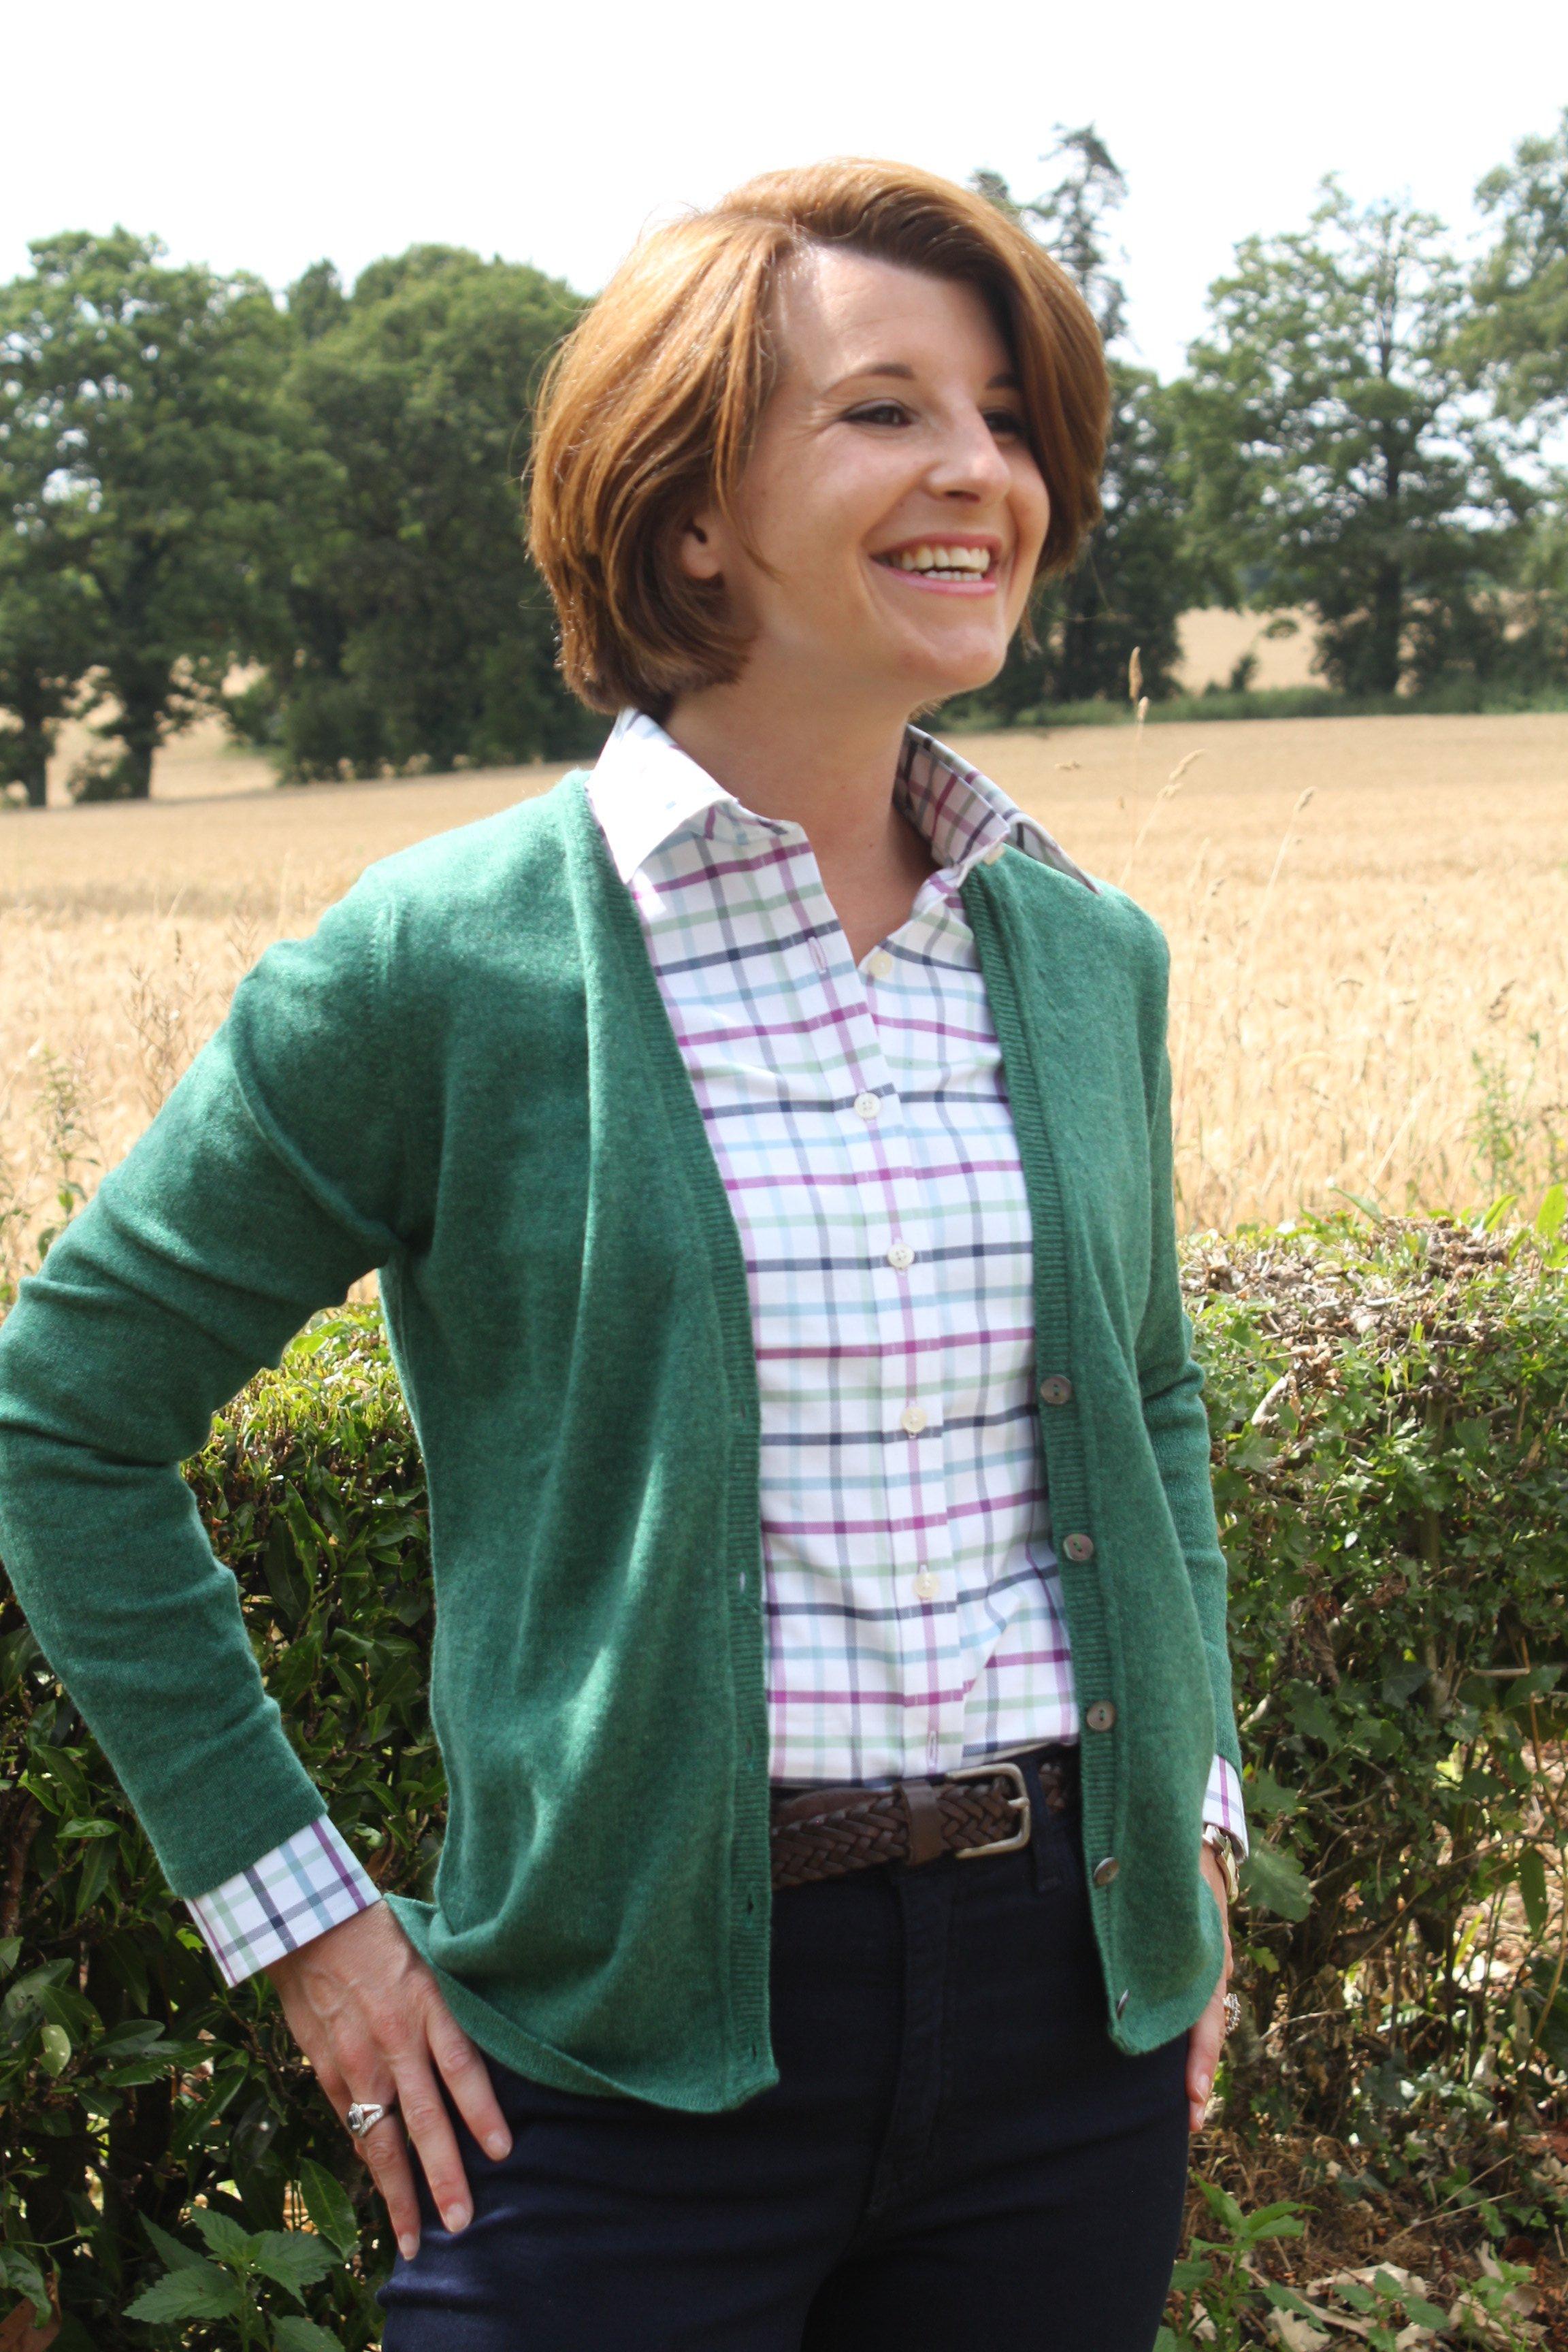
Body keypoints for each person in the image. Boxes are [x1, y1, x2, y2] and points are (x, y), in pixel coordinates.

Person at [0, 159, 1247, 2351]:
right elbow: (63, 1421)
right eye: (884, 410)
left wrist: (1195, 1837)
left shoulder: (1083, 954)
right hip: (606, 2063)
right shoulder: (443, 964)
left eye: (1008, 416)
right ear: (690, 515)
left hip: (1071, 2044)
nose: (982, 468)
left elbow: (1147, 1402)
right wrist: (309, 1927)